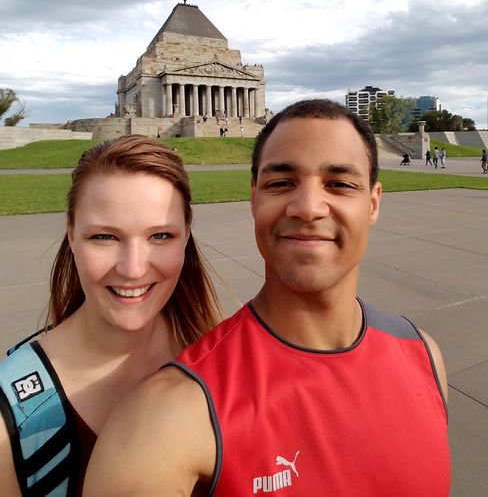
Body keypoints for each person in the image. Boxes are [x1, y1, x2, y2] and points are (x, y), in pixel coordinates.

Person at [84, 100, 450, 497]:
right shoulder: (165, 421)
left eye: (339, 183)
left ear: (373, 203)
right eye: (281, 183)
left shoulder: (425, 356)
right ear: (254, 198)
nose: (308, 208)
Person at [0, 135, 221, 497]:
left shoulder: (220, 357)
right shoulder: (13, 417)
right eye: (105, 237)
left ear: (186, 237)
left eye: (160, 235)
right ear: (71, 234)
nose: (133, 269)